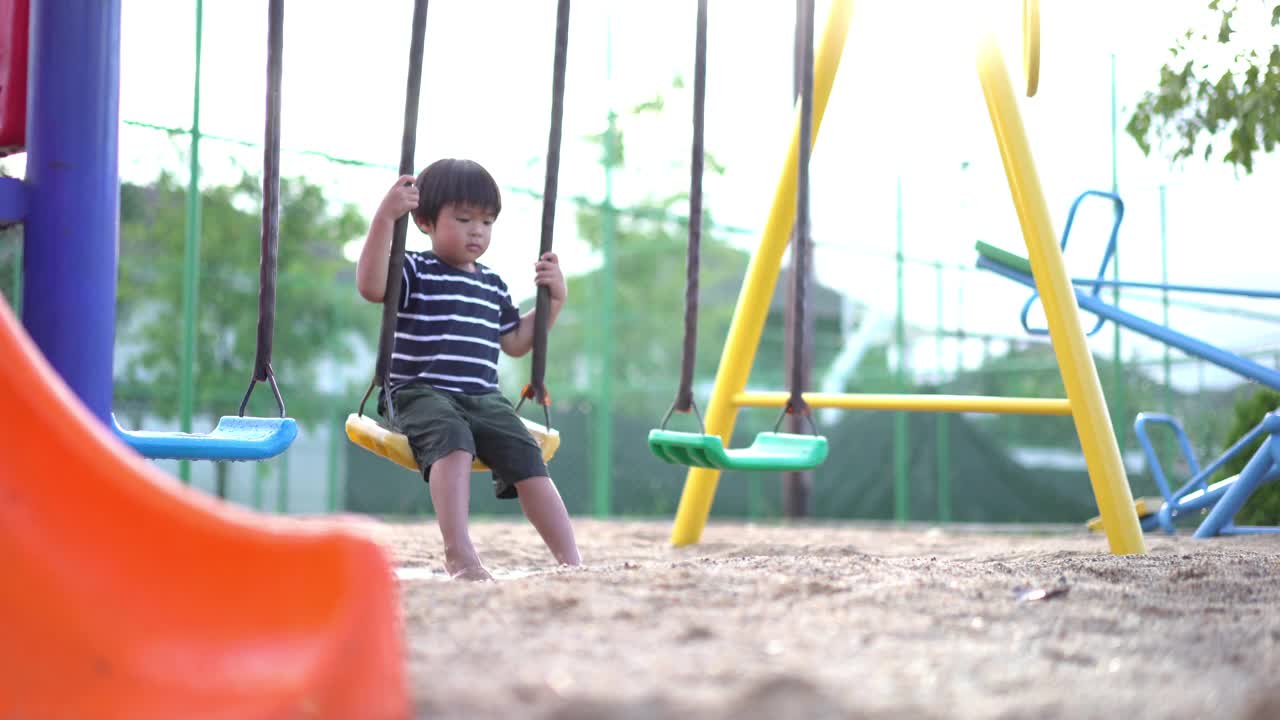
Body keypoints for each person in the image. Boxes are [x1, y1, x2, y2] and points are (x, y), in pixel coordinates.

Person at [356, 158, 581, 581]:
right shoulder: (414, 269)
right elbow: (370, 285)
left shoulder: (493, 284)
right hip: (419, 392)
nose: (477, 230)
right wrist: (386, 216)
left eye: (487, 221)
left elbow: (515, 342)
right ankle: (459, 553)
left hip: (482, 397)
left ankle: (572, 559)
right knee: (453, 438)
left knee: (526, 453)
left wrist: (554, 302)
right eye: (463, 219)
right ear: (424, 220)